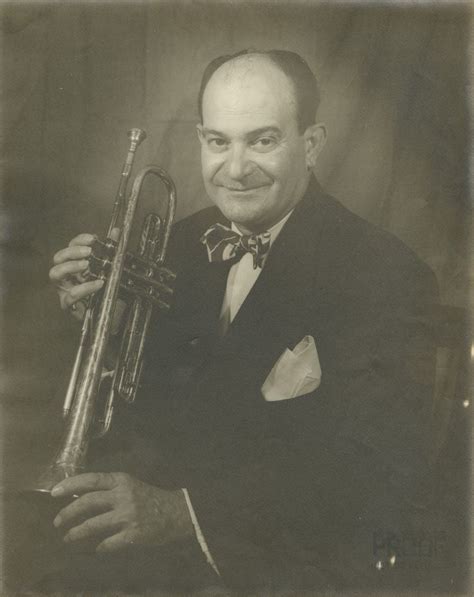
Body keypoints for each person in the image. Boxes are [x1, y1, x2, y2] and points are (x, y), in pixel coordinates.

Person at [48, 49, 439, 592]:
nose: (234, 170)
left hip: (284, 568)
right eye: (218, 141)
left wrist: (182, 514)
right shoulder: (176, 246)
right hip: (154, 565)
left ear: (312, 145)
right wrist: (109, 335)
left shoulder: (386, 274)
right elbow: (159, 419)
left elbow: (370, 470)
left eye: (262, 140)